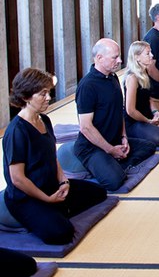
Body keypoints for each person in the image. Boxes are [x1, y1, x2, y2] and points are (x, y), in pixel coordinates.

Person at [3, 68, 106, 244]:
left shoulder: (44, 119)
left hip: (51, 186)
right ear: (26, 96)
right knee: (61, 234)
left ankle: (56, 210)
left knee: (99, 193)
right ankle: (42, 215)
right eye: (43, 94)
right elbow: (18, 179)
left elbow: (52, 156)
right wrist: (47, 199)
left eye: (48, 92)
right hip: (27, 196)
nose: (49, 98)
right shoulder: (17, 131)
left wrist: (64, 181)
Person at [74, 39, 157, 192]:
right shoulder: (87, 86)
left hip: (115, 139)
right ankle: (111, 164)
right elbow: (86, 127)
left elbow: (120, 110)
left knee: (149, 147)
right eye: (114, 57)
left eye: (119, 56)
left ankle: (114, 162)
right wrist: (110, 149)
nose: (119, 61)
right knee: (114, 181)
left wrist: (124, 137)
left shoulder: (112, 78)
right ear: (99, 58)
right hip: (93, 147)